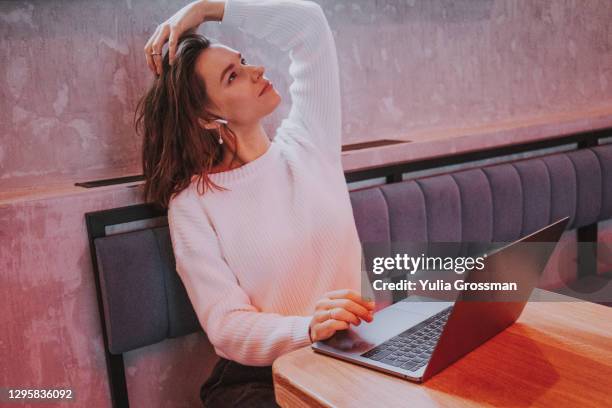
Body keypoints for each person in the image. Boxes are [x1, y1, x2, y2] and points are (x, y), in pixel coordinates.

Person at [136, 1, 376, 406]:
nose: (257, 71)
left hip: (351, 356)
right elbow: (227, 326)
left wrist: (202, 10)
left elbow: (309, 26)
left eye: (243, 60)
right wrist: (309, 329)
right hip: (261, 379)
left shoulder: (309, 143)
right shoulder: (192, 204)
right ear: (206, 118)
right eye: (234, 76)